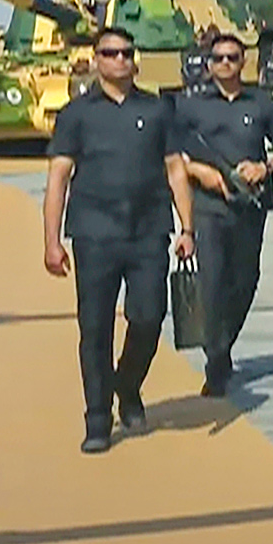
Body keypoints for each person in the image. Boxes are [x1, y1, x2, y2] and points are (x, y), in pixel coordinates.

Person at [43, 27, 195, 453]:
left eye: (128, 52)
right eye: (111, 53)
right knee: (95, 329)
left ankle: (126, 385)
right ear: (96, 60)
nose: (121, 60)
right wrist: (51, 241)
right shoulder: (76, 114)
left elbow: (176, 169)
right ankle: (97, 420)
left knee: (148, 318)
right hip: (93, 234)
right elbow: (58, 178)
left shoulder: (159, 109)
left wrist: (187, 227)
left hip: (149, 231)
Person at [176, 33, 273, 396]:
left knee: (245, 280)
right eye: (218, 59)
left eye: (231, 57)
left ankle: (223, 345)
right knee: (211, 284)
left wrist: (265, 166)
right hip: (209, 207)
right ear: (208, 65)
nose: (225, 64)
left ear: (243, 62)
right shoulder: (191, 106)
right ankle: (215, 362)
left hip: (252, 204)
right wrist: (202, 174)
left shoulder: (261, 103)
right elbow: (174, 155)